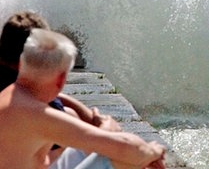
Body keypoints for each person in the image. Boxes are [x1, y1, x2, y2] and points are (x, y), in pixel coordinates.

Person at [0, 28, 166, 169]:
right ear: (62, 79)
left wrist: (108, 133)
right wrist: (154, 151)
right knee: (124, 161)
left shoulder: (13, 95)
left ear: (22, 65)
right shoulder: (37, 114)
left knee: (119, 150)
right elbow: (127, 147)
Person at [0, 11, 121, 146]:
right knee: (71, 116)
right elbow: (103, 144)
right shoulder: (38, 107)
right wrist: (105, 126)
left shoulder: (16, 86)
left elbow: (55, 98)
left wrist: (87, 114)